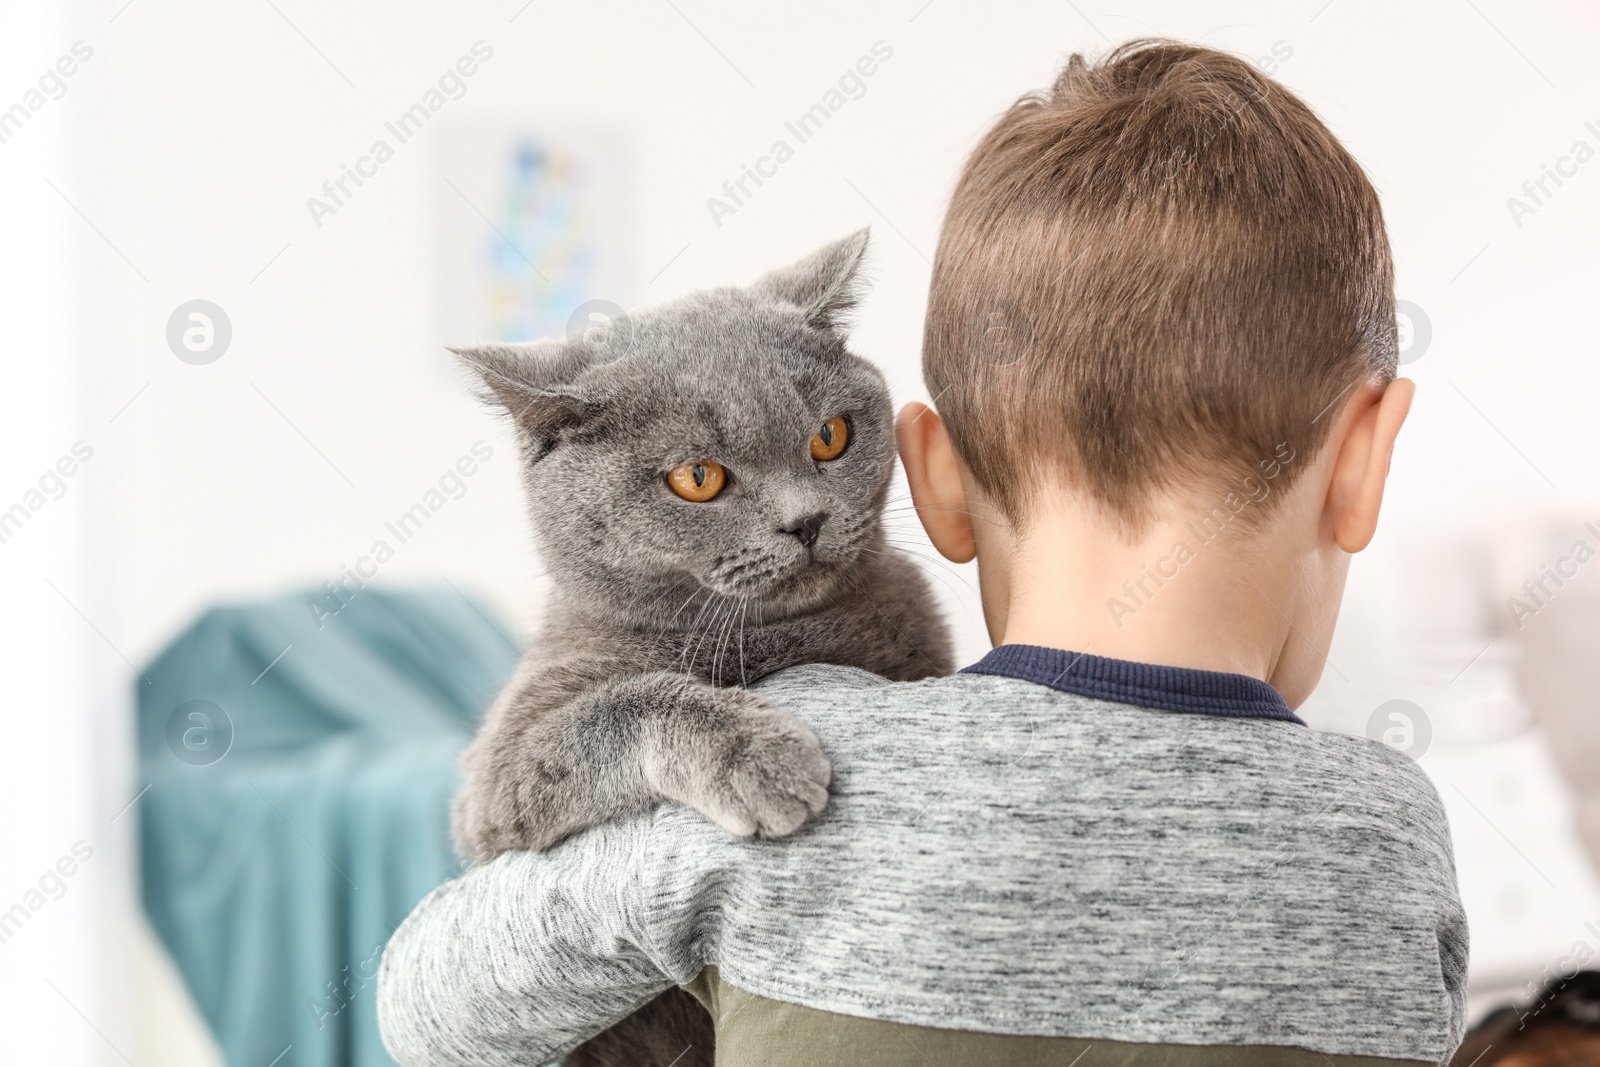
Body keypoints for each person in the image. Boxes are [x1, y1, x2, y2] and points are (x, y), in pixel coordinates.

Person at [377, 39, 1466, 1066]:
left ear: (928, 474)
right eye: (707, 480)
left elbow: (423, 1006)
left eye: (826, 449)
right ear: (1364, 459)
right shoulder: (1396, 837)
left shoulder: (798, 782)